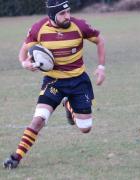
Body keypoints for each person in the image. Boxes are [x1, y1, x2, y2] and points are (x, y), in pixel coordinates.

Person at [3, 0, 105, 169]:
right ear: (51, 15)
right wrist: (25, 63)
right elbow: (24, 51)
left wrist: (101, 67)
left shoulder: (80, 26)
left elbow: (100, 41)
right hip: (53, 81)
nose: (68, 16)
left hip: (79, 81)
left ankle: (69, 106)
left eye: (68, 12)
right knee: (38, 119)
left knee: (85, 128)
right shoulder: (38, 29)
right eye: (62, 14)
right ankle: (16, 157)